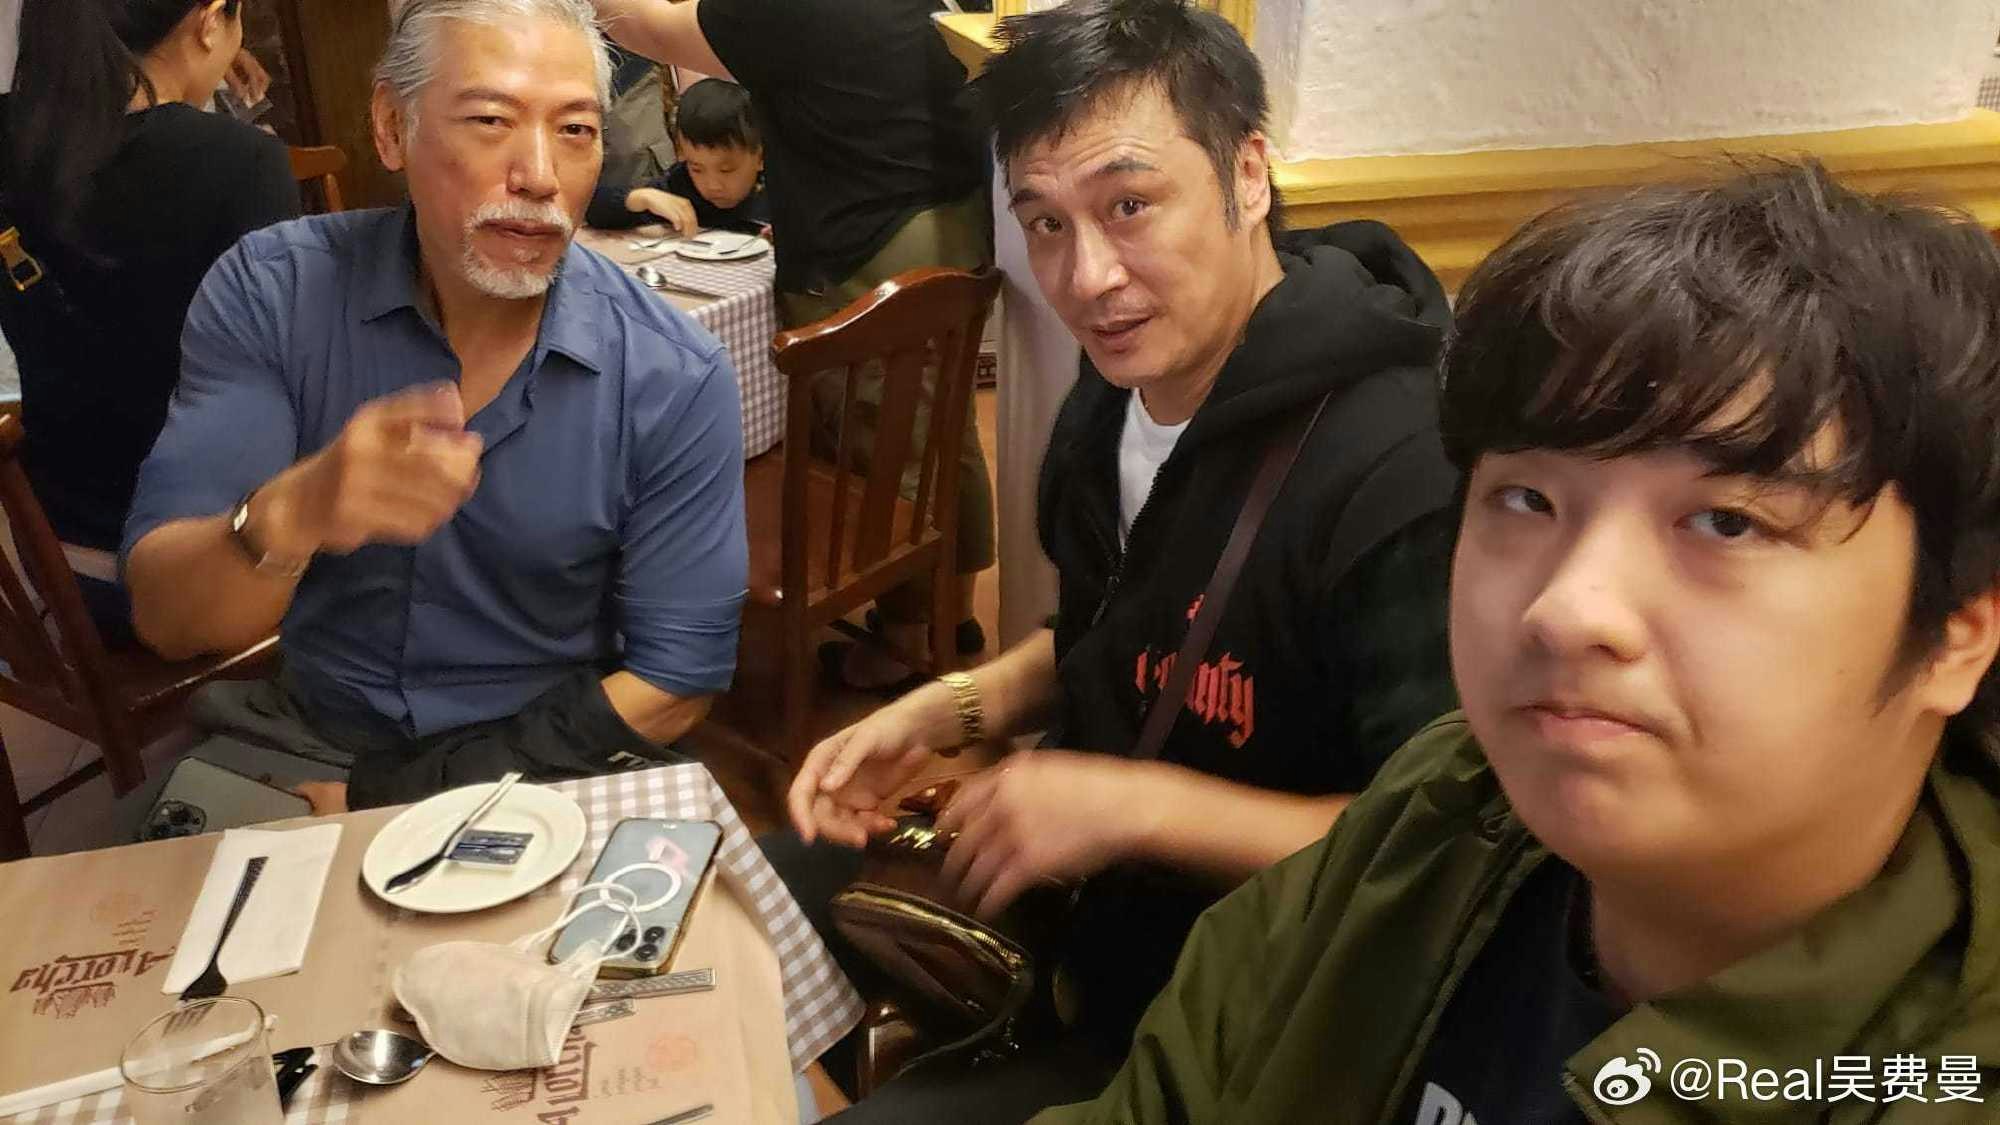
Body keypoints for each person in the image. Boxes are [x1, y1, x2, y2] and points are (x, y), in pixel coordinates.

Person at [1035, 162, 2000, 1123]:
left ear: (1957, 636)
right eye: (1529, 499)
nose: (1568, 608)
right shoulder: (1440, 811)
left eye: (1726, 522)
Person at [772, 0, 1462, 1117]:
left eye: (1129, 205)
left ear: (1247, 176)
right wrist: (950, 707)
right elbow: (1124, 631)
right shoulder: (1114, 399)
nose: (1087, 277)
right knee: (750, 883)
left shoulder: (1403, 469)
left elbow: (1442, 848)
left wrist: (1136, 807)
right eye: (1045, 222)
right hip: (1080, 915)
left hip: (1255, 1003)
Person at [121, 0, 746, 812]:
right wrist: (297, 511)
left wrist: (396, 794)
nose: (540, 176)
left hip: (547, 760)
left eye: (576, 130)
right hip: (310, 732)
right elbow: (168, 619)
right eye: (490, 120)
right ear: (392, 127)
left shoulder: (673, 372)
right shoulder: (276, 291)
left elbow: (676, 681)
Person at [587, 0, 995, 690]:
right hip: (951, 218)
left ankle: (904, 643)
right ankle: (952, 619)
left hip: (869, 244)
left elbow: (646, 27)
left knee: (885, 447)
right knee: (944, 436)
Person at [0, 0, 296, 643]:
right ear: (210, 19)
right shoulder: (241, 164)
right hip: (190, 574)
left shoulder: (13, 137)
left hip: (53, 560)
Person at [585, 76, 768, 237]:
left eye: (726, 170)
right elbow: (593, 210)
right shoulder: (682, 184)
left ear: (761, 158)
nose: (713, 185)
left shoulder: (778, 192)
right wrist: (639, 198)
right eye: (697, 169)